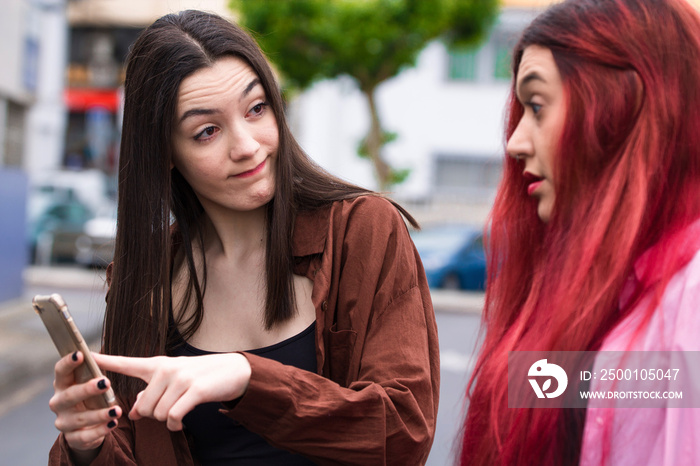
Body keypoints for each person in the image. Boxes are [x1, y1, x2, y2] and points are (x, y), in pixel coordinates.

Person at [47, 10, 439, 465]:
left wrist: (246, 378)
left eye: (257, 109)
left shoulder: (361, 231)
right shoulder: (146, 279)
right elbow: (132, 449)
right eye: (207, 131)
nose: (247, 145)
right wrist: (86, 444)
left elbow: (403, 432)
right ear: (166, 153)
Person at [458, 0, 700, 464]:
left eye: (537, 106)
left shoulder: (687, 294)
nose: (515, 142)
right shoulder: (615, 294)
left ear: (621, 108)